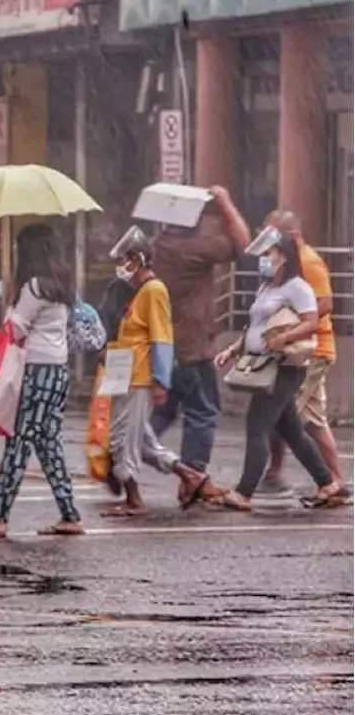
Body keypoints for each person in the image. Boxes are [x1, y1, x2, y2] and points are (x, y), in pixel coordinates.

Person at [213, 231, 345, 511]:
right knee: (292, 431)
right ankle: (328, 484)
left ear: (283, 256)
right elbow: (256, 326)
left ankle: (244, 492)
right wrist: (232, 350)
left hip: (283, 367)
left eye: (268, 254)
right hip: (265, 362)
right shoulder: (266, 287)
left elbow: (311, 321)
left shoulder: (298, 287)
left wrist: (283, 340)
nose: (263, 260)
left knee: (257, 425)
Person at [0, 224, 82, 537]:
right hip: (58, 371)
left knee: (18, 441)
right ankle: (70, 515)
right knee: (48, 445)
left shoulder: (33, 287)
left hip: (37, 369)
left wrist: (11, 310)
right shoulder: (59, 285)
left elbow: (15, 331)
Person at [104, 227, 215, 516]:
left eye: (125, 259)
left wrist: (159, 380)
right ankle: (192, 476)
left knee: (121, 438)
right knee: (141, 441)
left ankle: (133, 499)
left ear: (138, 259)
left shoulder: (154, 290)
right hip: (127, 375)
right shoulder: (139, 292)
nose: (121, 265)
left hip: (139, 376)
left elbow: (162, 338)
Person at [150, 186, 252, 495]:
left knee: (165, 410)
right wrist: (225, 202)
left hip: (167, 346)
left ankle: (123, 453)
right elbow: (243, 245)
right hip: (192, 346)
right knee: (203, 412)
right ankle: (193, 476)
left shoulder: (160, 244)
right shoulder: (190, 248)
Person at [257, 210, 349, 505]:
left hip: (312, 350)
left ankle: (283, 475)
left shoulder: (309, 262)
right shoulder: (288, 264)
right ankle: (334, 481)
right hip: (302, 350)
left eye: (272, 235)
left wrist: (290, 323)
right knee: (312, 420)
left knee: (284, 416)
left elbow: (325, 304)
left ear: (291, 236)